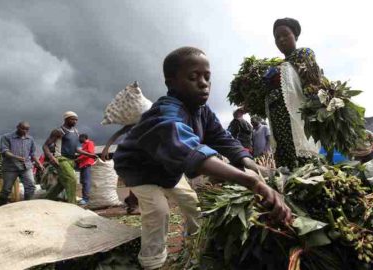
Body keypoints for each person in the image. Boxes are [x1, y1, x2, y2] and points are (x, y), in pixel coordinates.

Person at [113, 47, 291, 270]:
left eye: (207, 77)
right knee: (158, 211)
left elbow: (222, 138)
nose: (203, 83)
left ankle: (195, 245)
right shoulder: (167, 114)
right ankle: (152, 262)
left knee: (192, 204)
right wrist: (252, 182)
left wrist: (248, 162)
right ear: (171, 82)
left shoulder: (202, 111)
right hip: (140, 168)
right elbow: (189, 149)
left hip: (168, 168)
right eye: (193, 77)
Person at [262, 18, 321, 170]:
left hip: (295, 118)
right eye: (277, 37)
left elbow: (312, 83)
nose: (281, 39)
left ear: (295, 35)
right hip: (278, 122)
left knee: (302, 163)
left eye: (285, 35)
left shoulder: (303, 54)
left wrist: (315, 110)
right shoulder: (275, 66)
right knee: (284, 164)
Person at [43, 111, 95, 204]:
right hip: (61, 159)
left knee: (62, 184)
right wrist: (51, 158)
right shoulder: (59, 131)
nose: (75, 121)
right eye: (72, 119)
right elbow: (45, 146)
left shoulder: (76, 132)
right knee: (72, 179)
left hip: (71, 161)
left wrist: (89, 154)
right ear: (66, 119)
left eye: (76, 120)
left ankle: (45, 200)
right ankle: (72, 204)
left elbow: (76, 149)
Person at [0, 121, 44, 205]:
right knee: (6, 189)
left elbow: (33, 153)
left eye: (27, 129)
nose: (24, 131)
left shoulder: (30, 139)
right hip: (10, 168)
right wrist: (16, 157)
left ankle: (26, 205)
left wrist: (39, 164)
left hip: (26, 167)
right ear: (17, 127)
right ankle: (1, 206)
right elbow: (5, 151)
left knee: (30, 186)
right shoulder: (7, 137)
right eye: (22, 128)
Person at [101, 124, 139, 214]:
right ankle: (132, 205)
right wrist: (106, 148)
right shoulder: (132, 125)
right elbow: (116, 134)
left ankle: (131, 200)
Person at [76, 134, 96, 205]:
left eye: (80, 138)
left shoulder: (90, 143)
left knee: (86, 182)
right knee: (83, 182)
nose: (79, 140)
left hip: (87, 164)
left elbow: (90, 154)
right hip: (83, 165)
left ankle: (86, 199)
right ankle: (85, 197)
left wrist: (78, 159)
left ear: (84, 138)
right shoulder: (84, 145)